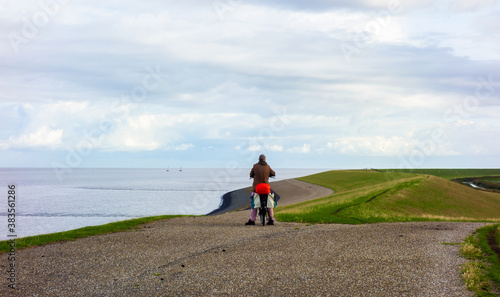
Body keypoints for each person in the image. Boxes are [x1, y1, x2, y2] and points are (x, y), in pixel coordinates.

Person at [245, 154, 276, 225]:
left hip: (257, 189)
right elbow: (273, 173)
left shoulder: (255, 166)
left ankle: (252, 220)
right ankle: (271, 219)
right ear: (265, 160)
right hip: (266, 188)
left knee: (254, 203)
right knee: (269, 204)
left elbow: (251, 173)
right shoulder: (268, 167)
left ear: (259, 159)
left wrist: (252, 175)